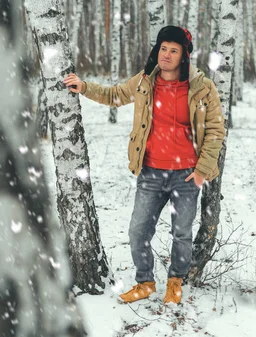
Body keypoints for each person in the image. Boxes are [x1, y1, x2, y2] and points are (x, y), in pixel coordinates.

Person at [63, 26, 225, 304]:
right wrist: (85, 87)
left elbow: (215, 130)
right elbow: (115, 95)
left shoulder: (201, 87)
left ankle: (175, 282)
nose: (166, 54)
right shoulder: (144, 82)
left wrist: (201, 172)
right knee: (138, 231)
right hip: (150, 172)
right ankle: (145, 282)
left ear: (184, 55)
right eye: (163, 48)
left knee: (182, 233)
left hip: (186, 175)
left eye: (174, 50)